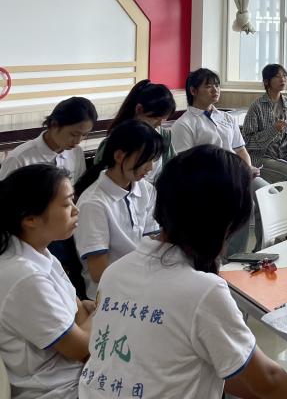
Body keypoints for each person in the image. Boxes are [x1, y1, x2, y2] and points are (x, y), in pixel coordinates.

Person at [78, 146, 287, 399]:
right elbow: (269, 380)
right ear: (225, 224)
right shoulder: (204, 292)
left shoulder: (115, 272)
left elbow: (195, 368)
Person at [0, 164, 93, 399]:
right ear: (31, 219)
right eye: (67, 204)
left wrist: (89, 316)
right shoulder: (24, 277)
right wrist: (104, 309)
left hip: (76, 375)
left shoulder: (41, 253)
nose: (76, 210)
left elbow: (80, 311)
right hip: (58, 390)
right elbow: (81, 348)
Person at [171, 68, 267, 254]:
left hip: (237, 173)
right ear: (193, 91)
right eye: (208, 86)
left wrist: (247, 169)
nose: (215, 90)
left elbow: (240, 149)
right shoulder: (184, 124)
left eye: (217, 85)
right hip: (211, 181)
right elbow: (186, 165)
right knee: (243, 205)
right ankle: (234, 257)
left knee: (266, 193)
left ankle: (262, 250)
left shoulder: (226, 118)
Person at [74, 120, 165, 299]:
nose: (150, 168)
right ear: (119, 156)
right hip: (110, 295)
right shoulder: (93, 203)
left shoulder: (146, 189)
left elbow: (153, 243)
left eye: (153, 160)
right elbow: (99, 273)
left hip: (143, 282)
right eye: (146, 160)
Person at [95, 80, 176, 183]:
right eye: (156, 118)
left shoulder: (163, 135)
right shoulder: (116, 140)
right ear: (139, 109)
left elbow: (173, 168)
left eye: (163, 119)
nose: (159, 124)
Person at [0, 96, 96, 182]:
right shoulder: (19, 159)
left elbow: (77, 187)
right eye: (73, 134)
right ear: (54, 125)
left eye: (84, 135)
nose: (78, 141)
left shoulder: (76, 152)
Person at [241, 64, 287, 184]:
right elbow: (247, 141)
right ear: (266, 81)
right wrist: (273, 129)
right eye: (277, 76)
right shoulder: (257, 106)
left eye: (284, 76)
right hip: (263, 158)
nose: (283, 79)